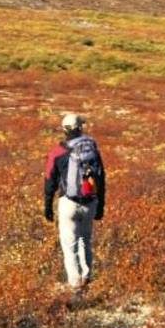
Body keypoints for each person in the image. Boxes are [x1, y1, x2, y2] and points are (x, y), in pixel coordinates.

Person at [44, 113, 106, 293]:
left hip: (68, 203)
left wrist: (48, 206)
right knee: (84, 240)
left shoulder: (58, 151)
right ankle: (86, 277)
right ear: (81, 127)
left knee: (69, 244)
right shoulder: (92, 149)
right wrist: (100, 205)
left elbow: (49, 180)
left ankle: (75, 284)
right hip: (90, 202)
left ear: (64, 130)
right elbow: (101, 177)